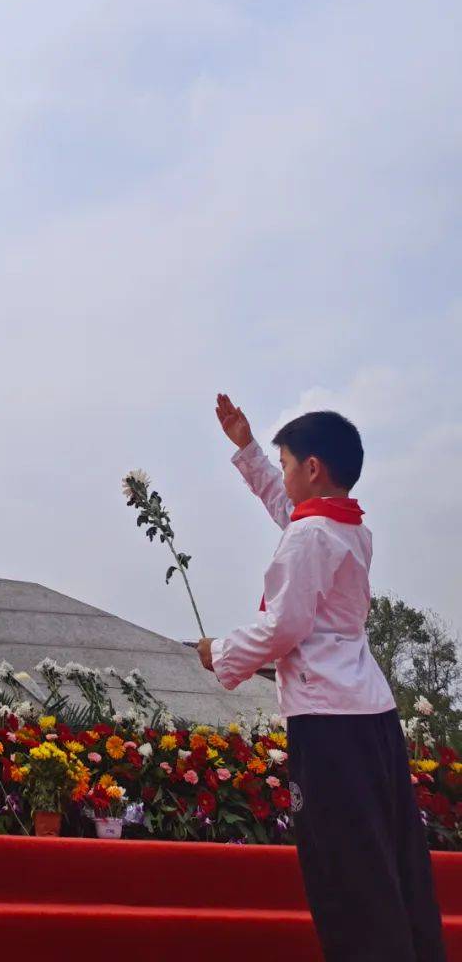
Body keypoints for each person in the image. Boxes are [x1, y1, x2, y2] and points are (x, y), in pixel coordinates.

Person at [195, 395, 446, 960]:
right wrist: (250, 450)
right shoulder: (347, 528)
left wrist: (221, 653)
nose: (280, 477)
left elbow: (283, 626)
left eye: (286, 466)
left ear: (313, 469)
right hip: (370, 716)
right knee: (391, 859)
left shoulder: (313, 537)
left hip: (330, 722)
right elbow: (291, 513)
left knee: (347, 873)